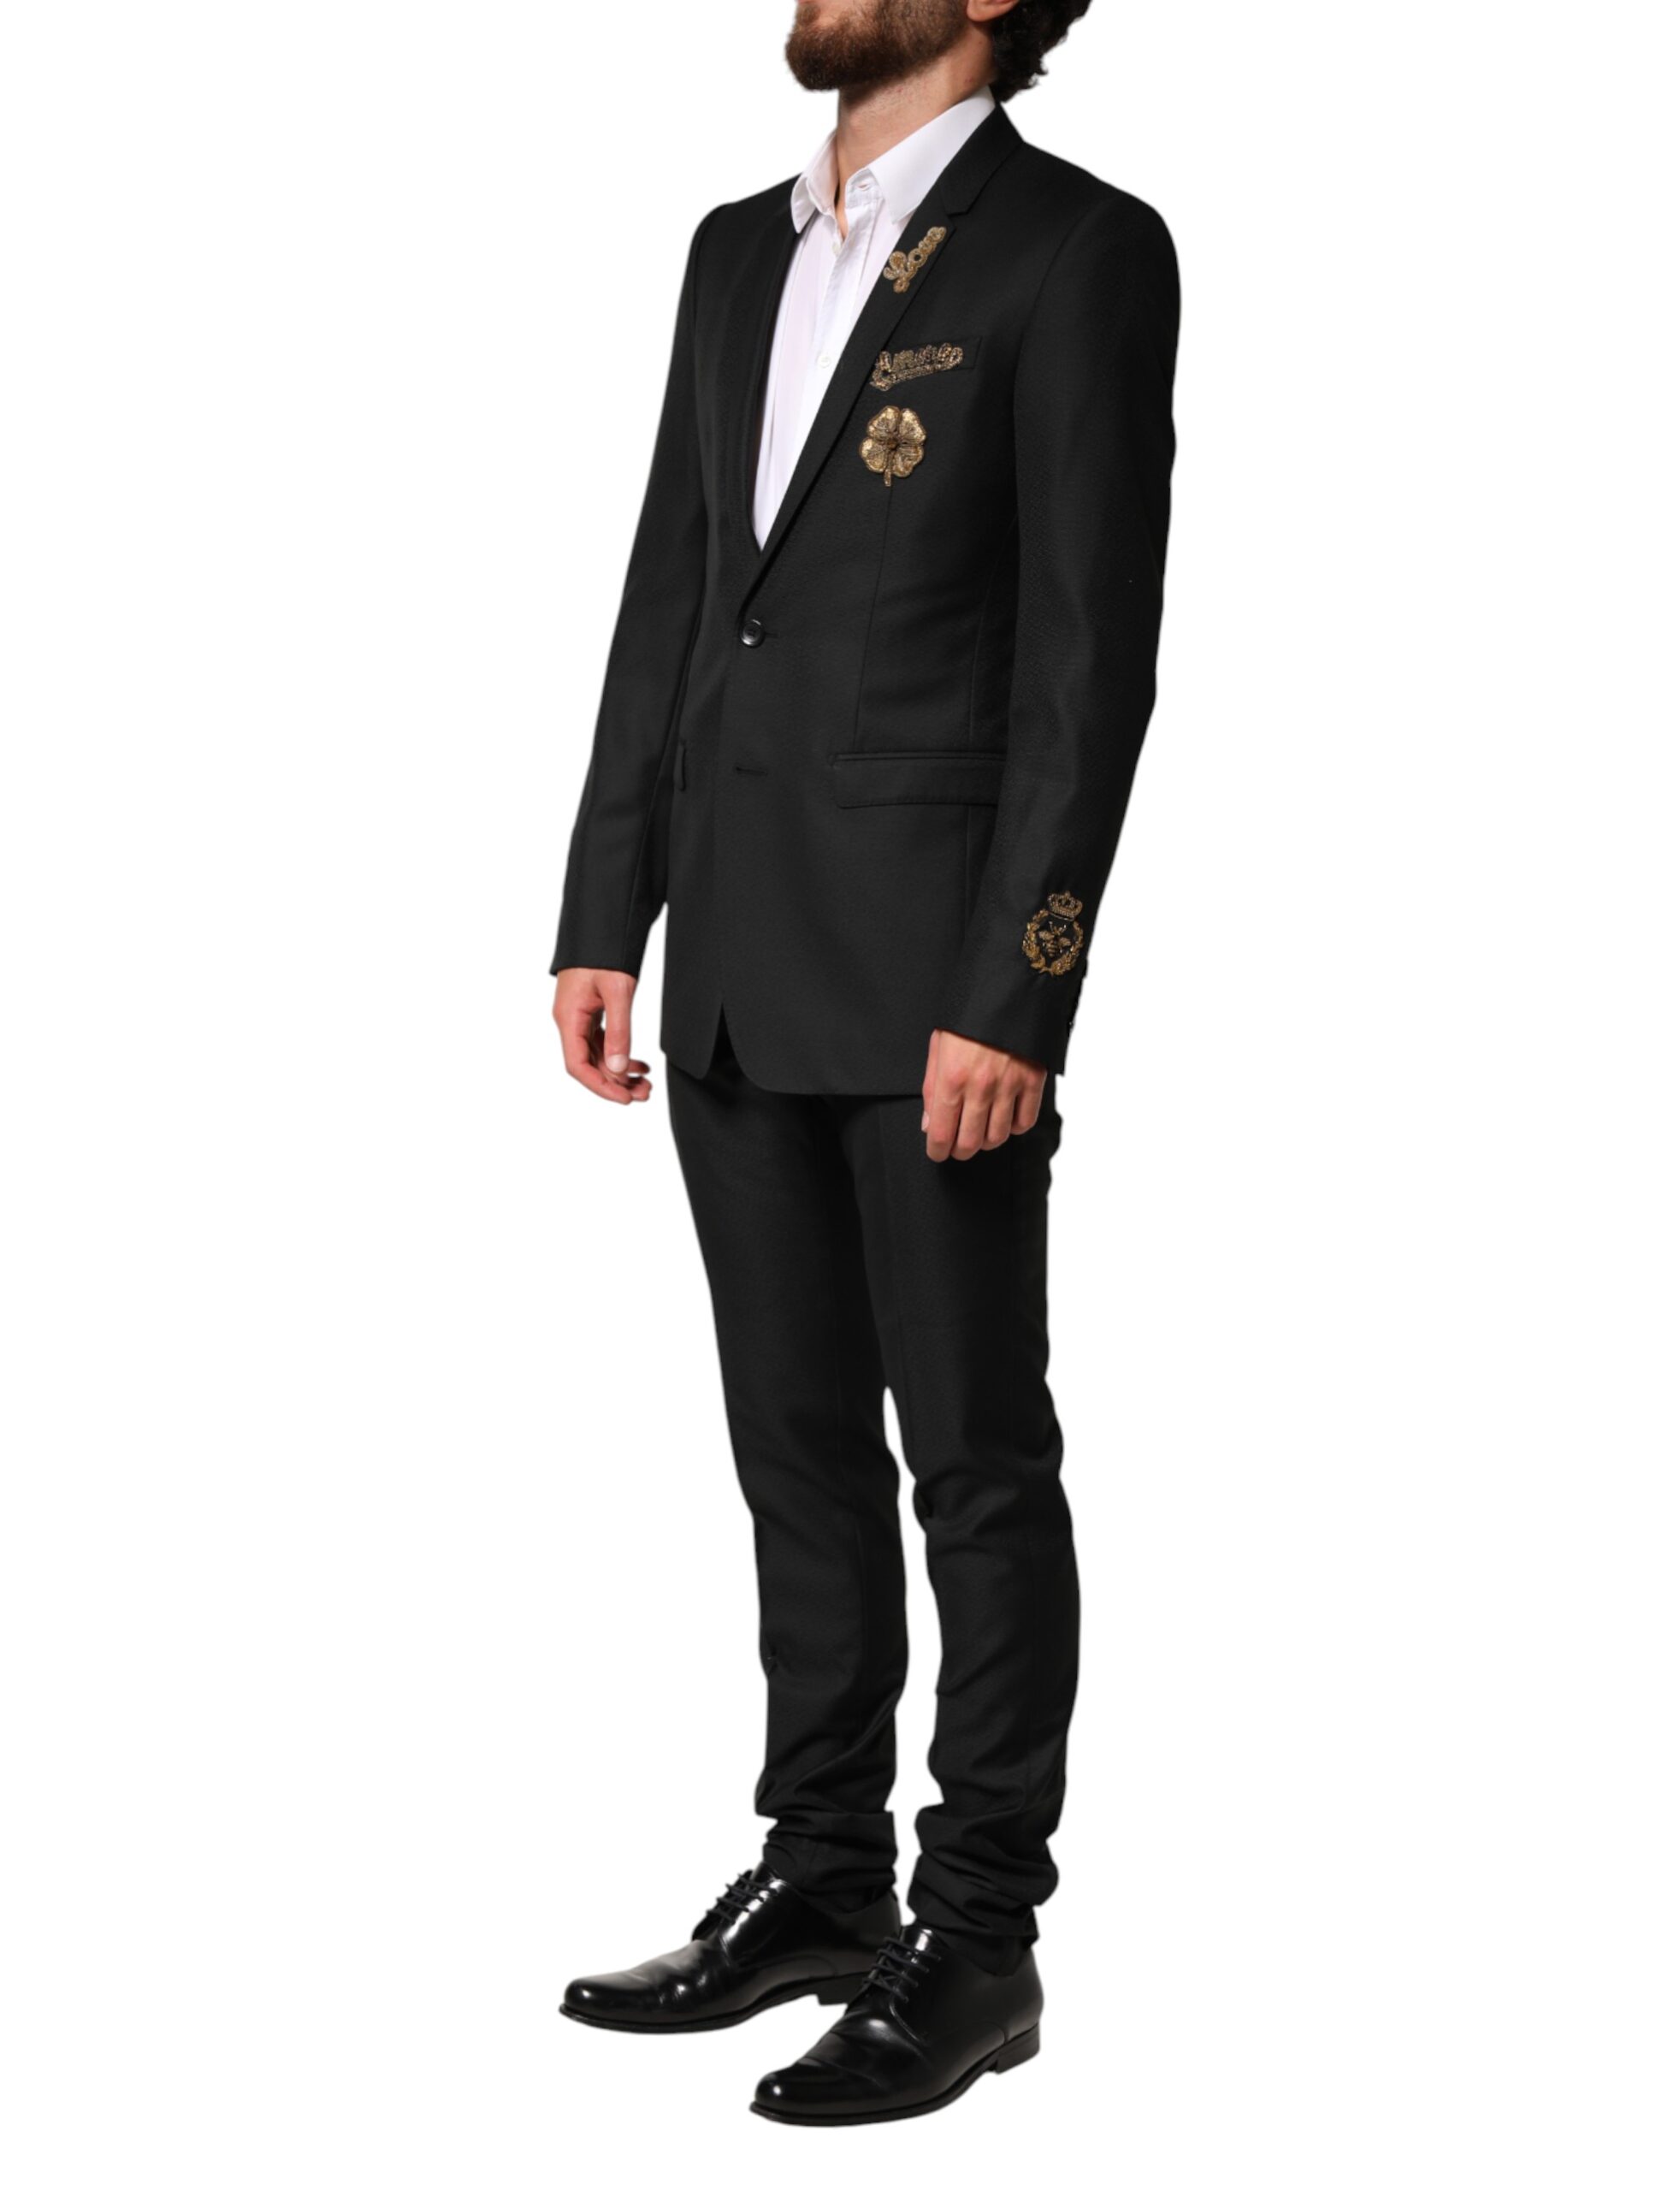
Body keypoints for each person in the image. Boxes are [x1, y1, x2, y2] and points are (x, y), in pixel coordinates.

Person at [550, 0, 1177, 2127]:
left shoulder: (1076, 250)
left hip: (932, 984)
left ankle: (976, 1937)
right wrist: (603, 906)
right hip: (731, 956)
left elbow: (1088, 653)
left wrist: (1018, 987)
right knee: (794, 1453)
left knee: (972, 1462)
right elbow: (674, 590)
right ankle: (819, 1877)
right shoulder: (735, 250)